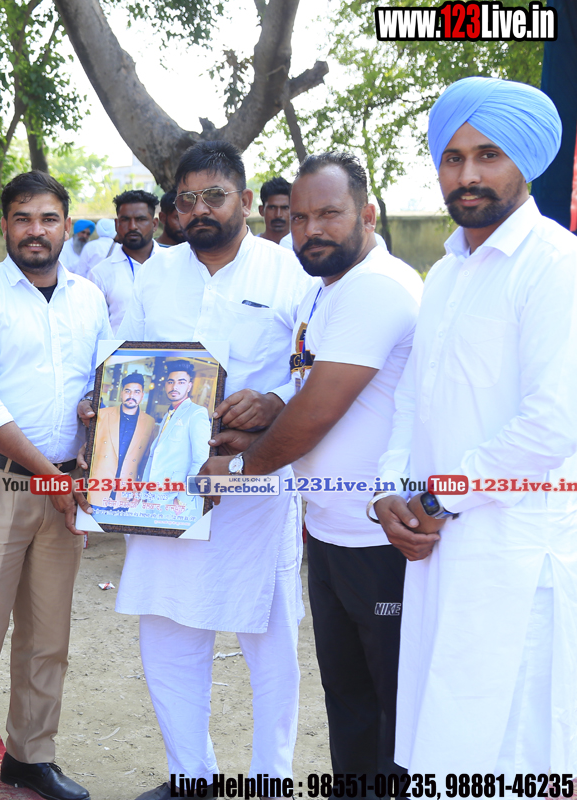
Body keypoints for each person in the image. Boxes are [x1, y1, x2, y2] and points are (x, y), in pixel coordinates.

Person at [373, 77, 577, 773]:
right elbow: (412, 401)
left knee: (515, 752)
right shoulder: (445, 274)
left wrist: (436, 500)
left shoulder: (554, 265)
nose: (467, 175)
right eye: (452, 158)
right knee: (445, 745)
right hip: (439, 552)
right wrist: (391, 492)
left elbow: (551, 426)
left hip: (513, 557)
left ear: (525, 161)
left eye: (488, 155)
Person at [200, 152, 422, 780]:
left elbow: (320, 411)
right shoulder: (325, 290)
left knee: (393, 712)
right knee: (349, 703)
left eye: (329, 214)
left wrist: (239, 474)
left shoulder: (377, 287)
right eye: (298, 218)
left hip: (381, 538)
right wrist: (269, 408)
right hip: (329, 529)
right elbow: (305, 390)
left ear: (367, 215)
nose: (310, 230)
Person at [110, 142, 315, 799]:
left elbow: (314, 367)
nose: (200, 210)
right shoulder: (157, 273)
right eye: (187, 200)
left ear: (246, 201)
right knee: (168, 630)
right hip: (168, 482)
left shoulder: (289, 272)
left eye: (215, 197)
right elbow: (127, 357)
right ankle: (191, 778)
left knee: (270, 640)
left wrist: (275, 400)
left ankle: (271, 781)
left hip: (254, 484)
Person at [0, 171, 110, 800]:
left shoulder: (90, 299)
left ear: (66, 225)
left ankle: (29, 756)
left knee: (48, 637)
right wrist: (51, 477)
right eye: (22, 218)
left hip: (66, 489)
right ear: (8, 226)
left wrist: (94, 417)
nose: (35, 231)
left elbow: (103, 383)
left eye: (47, 218)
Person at [88, 189, 160, 332]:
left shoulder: (173, 264)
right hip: (118, 347)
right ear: (116, 225)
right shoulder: (100, 273)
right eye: (125, 220)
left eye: (140, 219)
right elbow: (93, 327)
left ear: (155, 224)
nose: (132, 226)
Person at [88, 372, 157, 508]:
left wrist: (140, 489)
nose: (131, 396)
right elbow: (90, 449)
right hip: (97, 487)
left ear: (142, 396)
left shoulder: (149, 422)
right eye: (128, 391)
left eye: (137, 392)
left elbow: (145, 459)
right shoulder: (103, 415)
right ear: (121, 393)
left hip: (126, 492)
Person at [139, 361, 211, 488]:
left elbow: (202, 460)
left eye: (181, 382)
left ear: (189, 386)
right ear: (166, 385)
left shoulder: (197, 413)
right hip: (154, 490)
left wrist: (184, 496)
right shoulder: (168, 414)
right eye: (171, 382)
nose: (174, 387)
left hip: (175, 493)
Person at [258, 177, 291, 244]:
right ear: (261, 210)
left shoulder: (303, 247)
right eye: (272, 208)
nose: (278, 215)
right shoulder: (251, 248)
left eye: (285, 208)